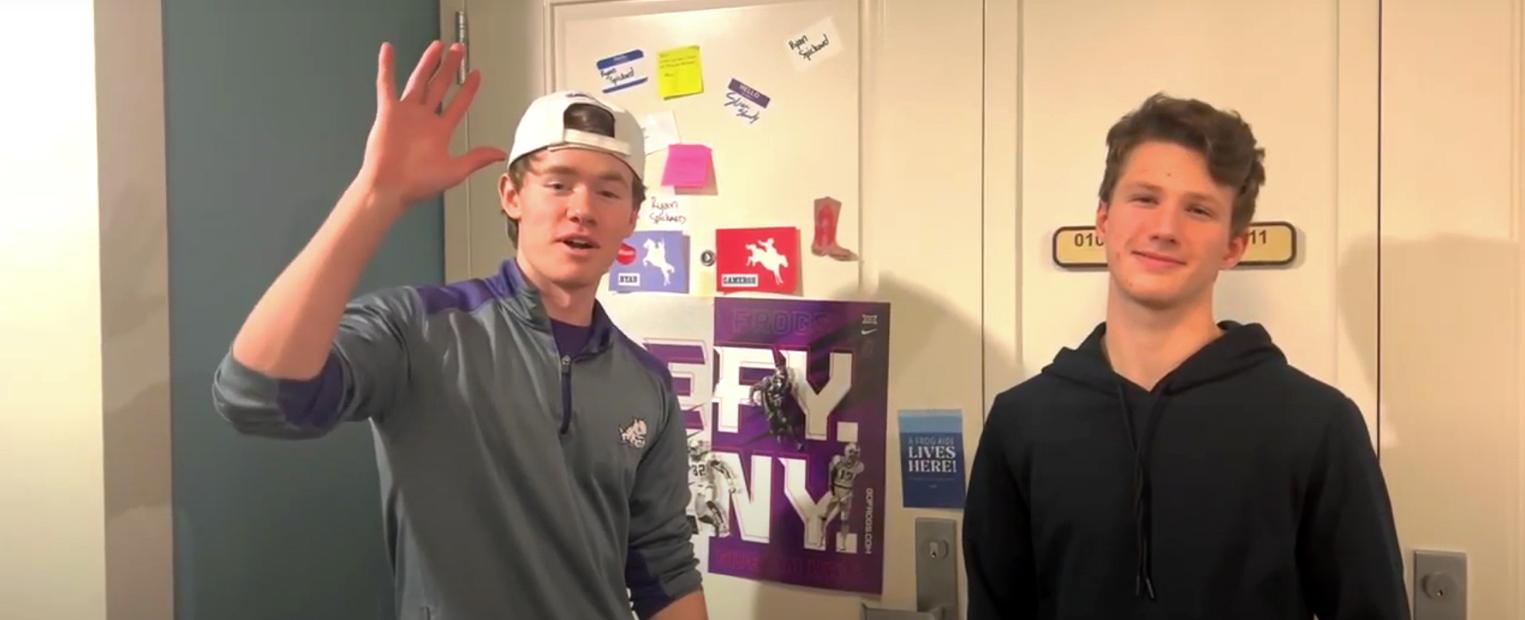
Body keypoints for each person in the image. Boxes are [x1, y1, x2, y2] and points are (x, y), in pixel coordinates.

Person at [211, 40, 707, 619]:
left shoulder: (645, 383)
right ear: (512, 195)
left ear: (630, 219)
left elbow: (662, 564)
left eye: (608, 190)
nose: (582, 208)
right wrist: (377, 194)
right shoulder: (418, 332)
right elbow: (255, 396)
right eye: (558, 183)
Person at [962, 93, 1409, 619]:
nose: (1165, 228)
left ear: (1233, 246)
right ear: (1103, 220)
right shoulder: (1021, 421)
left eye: (1198, 209)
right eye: (1145, 198)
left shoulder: (1317, 425)